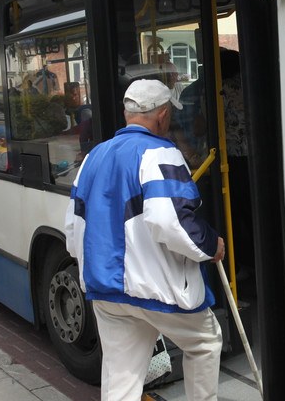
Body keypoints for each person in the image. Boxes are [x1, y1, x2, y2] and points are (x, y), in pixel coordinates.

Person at [65, 79, 225, 401]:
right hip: (156, 288)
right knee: (205, 342)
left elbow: (72, 229)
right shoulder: (161, 152)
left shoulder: (93, 156)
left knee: (121, 378)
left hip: (105, 288)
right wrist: (211, 246)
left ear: (127, 114)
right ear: (163, 115)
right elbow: (172, 222)